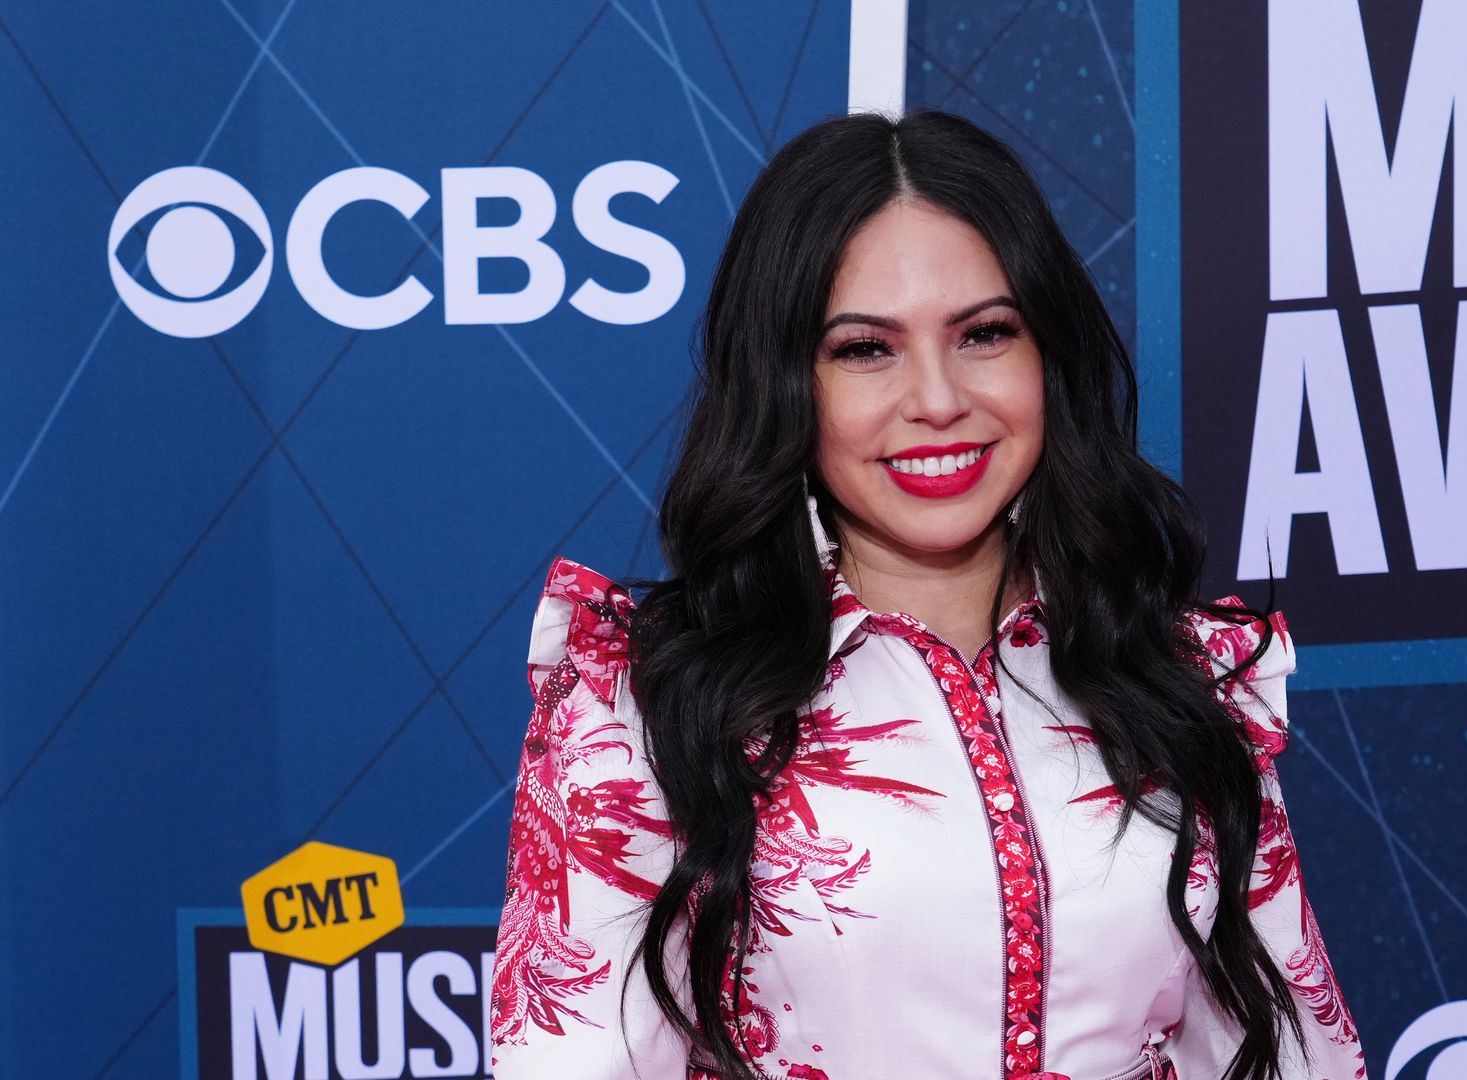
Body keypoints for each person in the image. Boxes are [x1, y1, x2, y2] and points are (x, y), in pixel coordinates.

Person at [488, 108, 1368, 1080]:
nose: (939, 398)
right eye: (867, 348)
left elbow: (1295, 1055)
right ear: (788, 383)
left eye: (985, 334)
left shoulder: (1177, 674)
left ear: (1050, 356)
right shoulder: (647, 703)